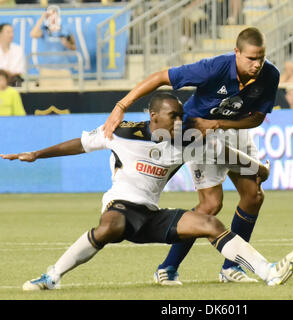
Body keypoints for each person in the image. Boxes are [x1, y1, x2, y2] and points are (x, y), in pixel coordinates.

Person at [0, 93, 293, 290]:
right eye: (172, 115)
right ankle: (52, 276)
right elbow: (81, 143)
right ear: (153, 116)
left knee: (210, 223)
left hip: (151, 215)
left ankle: (269, 272)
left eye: (180, 115)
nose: (178, 120)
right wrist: (37, 154)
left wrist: (258, 169)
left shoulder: (187, 140)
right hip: (120, 206)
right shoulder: (121, 132)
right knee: (113, 225)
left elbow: (226, 154)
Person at [102, 27, 280, 285]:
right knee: (211, 205)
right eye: (251, 58)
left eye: (261, 58)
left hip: (229, 128)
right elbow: (161, 77)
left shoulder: (270, 74)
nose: (257, 64)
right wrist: (121, 106)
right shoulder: (213, 69)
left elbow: (258, 118)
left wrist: (219, 124)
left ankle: (232, 269)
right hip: (198, 131)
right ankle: (167, 267)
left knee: (254, 196)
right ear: (236, 53)